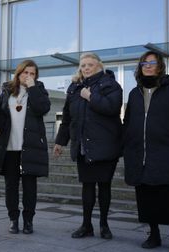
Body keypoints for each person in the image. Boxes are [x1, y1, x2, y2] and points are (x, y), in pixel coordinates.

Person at [123, 51, 169, 252]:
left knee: (167, 196)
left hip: (164, 153)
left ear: (160, 66)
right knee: (144, 197)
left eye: (152, 62)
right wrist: (127, 143)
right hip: (138, 154)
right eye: (144, 62)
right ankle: (154, 234)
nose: (148, 65)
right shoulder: (134, 93)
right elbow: (127, 122)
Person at [53, 52, 122, 240]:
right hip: (83, 145)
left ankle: (104, 225)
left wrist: (91, 97)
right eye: (83, 65)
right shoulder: (75, 88)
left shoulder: (111, 85)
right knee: (87, 187)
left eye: (90, 65)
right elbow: (67, 119)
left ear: (99, 66)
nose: (86, 68)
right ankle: (86, 225)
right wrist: (60, 141)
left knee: (104, 186)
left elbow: (112, 108)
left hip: (106, 145)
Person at [0, 59, 51, 234]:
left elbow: (43, 108)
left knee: (29, 187)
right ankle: (13, 219)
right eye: (25, 72)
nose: (28, 76)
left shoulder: (39, 91)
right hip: (9, 147)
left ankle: (28, 220)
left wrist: (32, 87)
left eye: (32, 73)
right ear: (18, 74)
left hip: (30, 147)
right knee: (10, 186)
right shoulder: (7, 91)